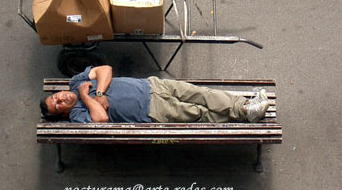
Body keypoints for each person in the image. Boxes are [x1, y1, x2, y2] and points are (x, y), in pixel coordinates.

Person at [40, 65, 269, 123]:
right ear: (61, 114)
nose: (60, 99)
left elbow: (105, 70)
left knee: (199, 93)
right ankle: (243, 116)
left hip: (151, 86)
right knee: (198, 113)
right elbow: (101, 119)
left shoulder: (75, 82)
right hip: (151, 111)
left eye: (55, 97)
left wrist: (99, 91)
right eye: (57, 105)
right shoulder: (76, 115)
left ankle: (244, 108)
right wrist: (88, 96)